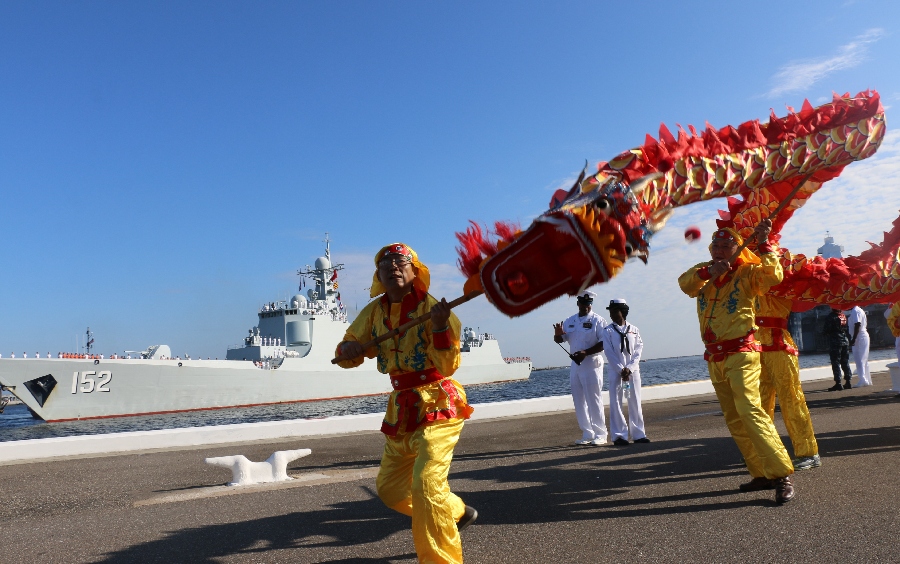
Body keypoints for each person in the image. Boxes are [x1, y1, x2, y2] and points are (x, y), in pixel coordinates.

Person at [335, 243, 476, 564]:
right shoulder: (373, 313)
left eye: (401, 262)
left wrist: (439, 327)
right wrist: (348, 350)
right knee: (391, 489)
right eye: (386, 264)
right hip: (402, 406)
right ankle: (456, 511)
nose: (393, 267)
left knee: (427, 483)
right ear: (378, 275)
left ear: (415, 272)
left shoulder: (434, 310)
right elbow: (351, 348)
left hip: (438, 401)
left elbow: (448, 365)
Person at [678, 220, 795, 504]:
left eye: (726, 246)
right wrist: (709, 271)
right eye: (716, 246)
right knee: (734, 418)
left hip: (741, 353)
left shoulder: (746, 274)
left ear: (736, 249)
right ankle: (761, 473)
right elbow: (685, 284)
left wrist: (765, 242)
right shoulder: (702, 275)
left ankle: (781, 475)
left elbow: (774, 275)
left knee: (749, 409)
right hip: (715, 356)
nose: (719, 251)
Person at [756, 293, 820, 470]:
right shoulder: (747, 279)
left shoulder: (777, 275)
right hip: (757, 348)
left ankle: (808, 452)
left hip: (778, 345)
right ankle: (763, 451)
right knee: (759, 402)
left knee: (791, 398)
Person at [553, 290, 608, 446]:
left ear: (591, 305)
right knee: (578, 400)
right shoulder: (570, 321)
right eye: (583, 304)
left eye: (588, 304)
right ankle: (587, 433)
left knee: (594, 399)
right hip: (575, 364)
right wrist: (557, 334)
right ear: (578, 303)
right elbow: (560, 339)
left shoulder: (598, 321)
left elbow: (604, 343)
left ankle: (601, 434)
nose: (585, 306)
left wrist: (586, 352)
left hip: (592, 363)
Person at [600, 299, 648, 445]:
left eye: (615, 311)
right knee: (616, 403)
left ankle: (638, 434)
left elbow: (638, 350)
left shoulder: (634, 329)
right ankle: (619, 436)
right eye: (611, 312)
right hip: (617, 372)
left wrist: (630, 368)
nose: (612, 314)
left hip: (632, 372)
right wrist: (621, 369)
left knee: (635, 402)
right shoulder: (607, 331)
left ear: (623, 312)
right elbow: (609, 352)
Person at [823, 308, 853, 391]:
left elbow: (826, 329)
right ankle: (848, 381)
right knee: (845, 361)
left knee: (835, 362)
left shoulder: (831, 317)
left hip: (835, 341)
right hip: (845, 340)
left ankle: (838, 383)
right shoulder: (843, 315)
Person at [846, 305, 872, 387]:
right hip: (861, 336)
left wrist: (853, 338)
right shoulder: (858, 310)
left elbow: (857, 324)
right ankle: (867, 379)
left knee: (859, 359)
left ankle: (863, 380)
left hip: (859, 336)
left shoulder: (855, 311)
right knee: (864, 359)